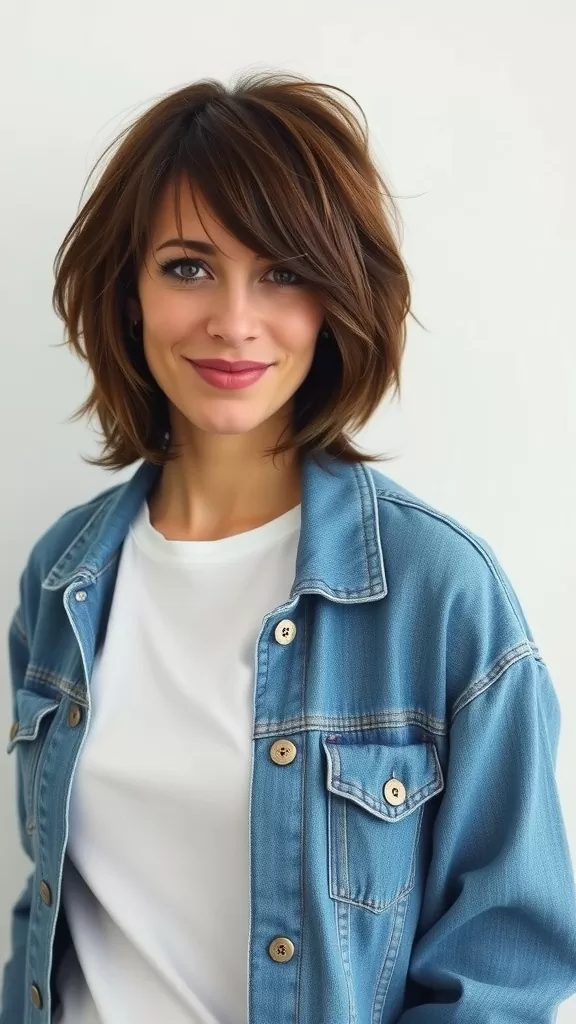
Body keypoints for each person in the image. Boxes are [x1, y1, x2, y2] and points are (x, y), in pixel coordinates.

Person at [2, 70, 575, 1024]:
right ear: (128, 290)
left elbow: (503, 971)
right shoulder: (65, 576)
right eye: (187, 266)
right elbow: (52, 909)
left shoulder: (440, 593)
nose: (233, 320)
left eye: (283, 272)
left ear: (338, 297)